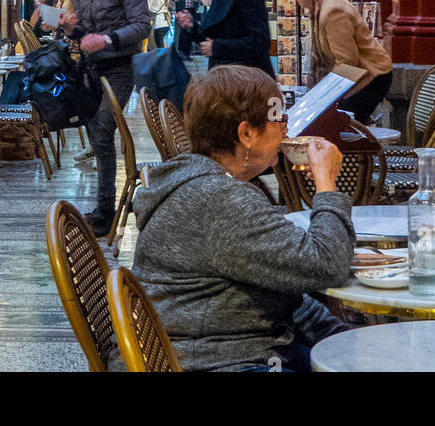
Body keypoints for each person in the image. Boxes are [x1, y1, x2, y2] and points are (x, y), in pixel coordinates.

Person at [130, 64, 355, 372]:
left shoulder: (211, 183)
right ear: (246, 133)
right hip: (214, 360)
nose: (286, 129)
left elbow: (283, 289)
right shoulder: (221, 199)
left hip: (229, 346)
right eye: (279, 119)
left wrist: (344, 339)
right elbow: (328, 265)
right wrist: (326, 183)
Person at [57, 0, 150, 237]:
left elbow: (141, 27)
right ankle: (104, 208)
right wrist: (71, 30)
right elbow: (85, 35)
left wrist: (107, 39)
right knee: (97, 135)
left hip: (121, 67)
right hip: (92, 69)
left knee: (103, 129)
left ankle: (105, 210)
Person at [283, 0, 392, 123]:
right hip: (361, 75)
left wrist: (326, 97)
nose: (295, 0)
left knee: (337, 123)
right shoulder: (320, 5)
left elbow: (348, 62)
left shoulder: (333, 10)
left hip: (372, 76)